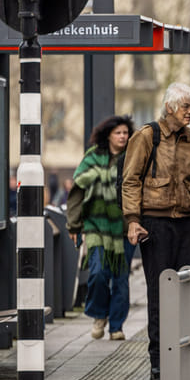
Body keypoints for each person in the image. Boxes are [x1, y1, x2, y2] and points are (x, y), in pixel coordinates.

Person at [122, 82, 190, 380]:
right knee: (160, 294)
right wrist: (133, 220)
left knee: (188, 293)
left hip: (184, 225)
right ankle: (159, 361)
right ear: (171, 107)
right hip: (156, 225)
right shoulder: (147, 136)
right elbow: (131, 181)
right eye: (186, 106)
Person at [66, 115, 136, 341]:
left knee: (121, 279)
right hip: (96, 226)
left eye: (126, 132)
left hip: (125, 228)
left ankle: (116, 326)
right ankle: (99, 314)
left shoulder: (134, 158)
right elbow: (77, 191)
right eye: (118, 132)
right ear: (108, 135)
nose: (123, 136)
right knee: (97, 273)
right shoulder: (93, 157)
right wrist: (74, 224)